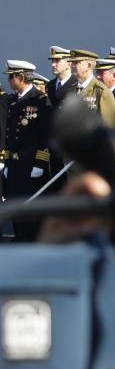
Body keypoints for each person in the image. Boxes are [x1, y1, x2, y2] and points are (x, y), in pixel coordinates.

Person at [1, 60, 54, 241]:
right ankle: (19, 236)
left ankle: (32, 239)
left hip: (31, 163)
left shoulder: (39, 100)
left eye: (11, 76)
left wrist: (40, 163)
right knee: (16, 203)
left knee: (31, 206)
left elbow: (45, 135)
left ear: (21, 77)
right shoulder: (14, 100)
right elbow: (9, 134)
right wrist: (6, 161)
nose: (9, 80)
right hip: (15, 163)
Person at [68, 49, 115, 129]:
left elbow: (109, 127)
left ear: (89, 66)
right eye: (72, 62)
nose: (72, 65)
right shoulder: (71, 89)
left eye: (76, 62)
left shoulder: (102, 91)